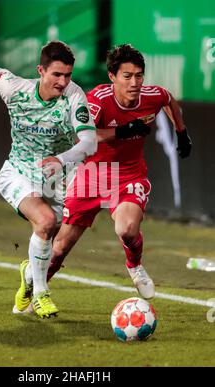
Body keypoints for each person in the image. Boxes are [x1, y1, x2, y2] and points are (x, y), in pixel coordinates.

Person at [0, 41, 100, 318]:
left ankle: (29, 275)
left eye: (68, 75)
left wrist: (62, 160)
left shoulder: (75, 97)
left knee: (52, 242)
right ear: (40, 70)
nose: (63, 81)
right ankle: (41, 294)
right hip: (17, 172)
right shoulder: (15, 88)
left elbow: (89, 144)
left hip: (57, 181)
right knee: (45, 222)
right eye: (56, 74)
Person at [47, 44, 192, 300]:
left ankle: (134, 267)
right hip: (93, 174)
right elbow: (82, 136)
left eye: (139, 75)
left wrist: (181, 132)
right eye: (127, 76)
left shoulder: (151, 96)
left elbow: (169, 100)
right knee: (59, 248)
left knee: (126, 229)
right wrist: (123, 131)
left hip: (129, 174)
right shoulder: (97, 100)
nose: (134, 82)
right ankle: (34, 288)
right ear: (112, 77)